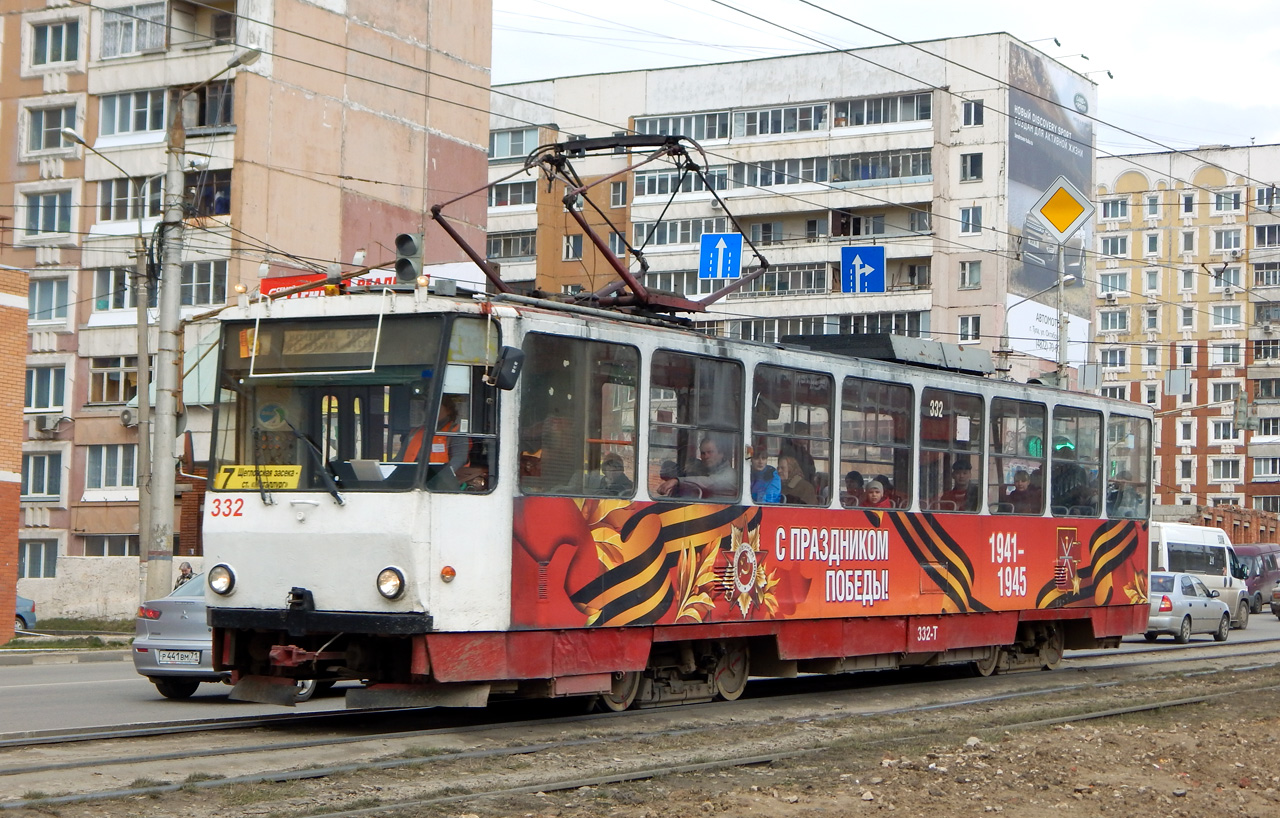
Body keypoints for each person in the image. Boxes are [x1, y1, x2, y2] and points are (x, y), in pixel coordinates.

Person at [402, 397, 470, 488]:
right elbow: (399, 459)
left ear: (448, 410)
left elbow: (460, 458)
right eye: (427, 408)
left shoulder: (456, 432)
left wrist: (442, 477)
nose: (430, 411)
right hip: (409, 481)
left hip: (441, 484)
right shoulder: (414, 432)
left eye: (436, 408)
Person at [656, 434, 738, 498]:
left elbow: (709, 482)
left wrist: (677, 481)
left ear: (721, 454)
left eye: (710, 452)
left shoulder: (730, 475)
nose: (706, 457)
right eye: (703, 453)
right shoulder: (702, 469)